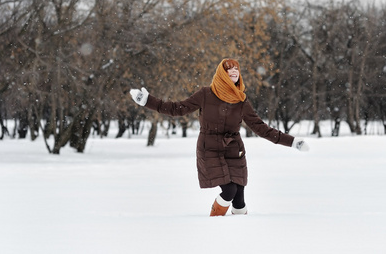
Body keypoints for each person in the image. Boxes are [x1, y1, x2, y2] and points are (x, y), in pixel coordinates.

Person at [130, 58, 309, 216]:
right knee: (229, 190)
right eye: (228, 69)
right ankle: (214, 226)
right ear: (221, 74)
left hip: (234, 149)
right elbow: (177, 109)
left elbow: (261, 128)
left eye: (236, 69)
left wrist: (292, 142)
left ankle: (243, 236)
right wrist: (148, 101)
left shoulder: (241, 100)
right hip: (209, 148)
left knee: (239, 200)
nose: (233, 71)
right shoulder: (205, 94)